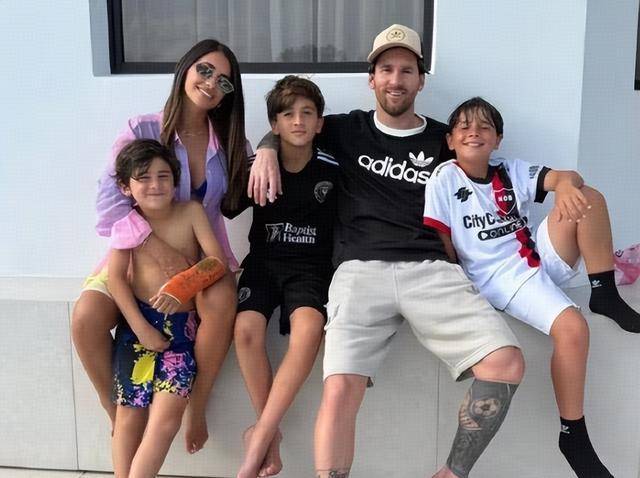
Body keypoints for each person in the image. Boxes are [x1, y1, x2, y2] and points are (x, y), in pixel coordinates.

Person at [250, 25, 524, 478]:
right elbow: (293, 128)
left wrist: (557, 183)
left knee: (506, 361)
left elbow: (496, 173)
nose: (396, 79)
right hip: (359, 271)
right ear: (372, 79)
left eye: (406, 70)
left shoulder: (445, 140)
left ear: (421, 81)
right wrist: (265, 148)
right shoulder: (345, 129)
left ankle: (452, 473)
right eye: (386, 69)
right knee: (340, 388)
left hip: (430, 269)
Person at [424, 97, 638, 477]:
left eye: (485, 127)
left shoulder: (508, 169)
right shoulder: (445, 178)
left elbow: (564, 177)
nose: (474, 132)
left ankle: (603, 291)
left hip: (535, 259)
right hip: (499, 279)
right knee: (573, 328)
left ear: (498, 139)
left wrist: (566, 185)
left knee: (588, 197)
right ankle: (573, 435)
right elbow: (442, 242)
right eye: (464, 127)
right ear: (451, 140)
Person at [71, 38, 248, 454]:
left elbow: (254, 179)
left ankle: (196, 405)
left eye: (224, 81)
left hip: (202, 261)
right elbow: (109, 206)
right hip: (135, 260)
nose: (211, 83)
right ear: (186, 69)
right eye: (205, 70)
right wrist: (155, 249)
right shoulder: (142, 129)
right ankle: (116, 409)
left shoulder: (229, 143)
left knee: (222, 301)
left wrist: (272, 150)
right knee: (85, 317)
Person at [231, 75, 338, 478]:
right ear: (274, 124)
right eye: (288, 114)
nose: (298, 121)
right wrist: (259, 156)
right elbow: (226, 207)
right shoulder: (259, 166)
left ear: (319, 123)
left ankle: (259, 435)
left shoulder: (333, 168)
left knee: (309, 330)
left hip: (311, 268)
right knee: (245, 329)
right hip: (263, 262)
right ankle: (269, 436)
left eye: (307, 113)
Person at [108, 139, 227, 477]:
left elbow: (216, 261)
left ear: (175, 180)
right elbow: (116, 280)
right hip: (137, 328)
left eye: (163, 176)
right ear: (126, 186)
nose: (155, 185)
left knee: (166, 419)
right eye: (143, 177)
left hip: (181, 332)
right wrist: (141, 329)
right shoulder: (128, 225)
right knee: (129, 414)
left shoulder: (190, 212)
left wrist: (182, 287)